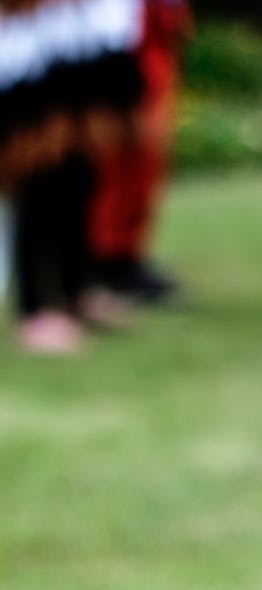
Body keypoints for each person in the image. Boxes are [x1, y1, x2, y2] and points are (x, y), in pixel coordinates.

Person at [1, 0, 144, 354]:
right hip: (27, 44)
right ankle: (35, 308)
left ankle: (76, 289)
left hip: (78, 36)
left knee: (81, 171)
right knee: (37, 178)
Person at [88, 0, 194, 303]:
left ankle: (125, 255)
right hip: (124, 59)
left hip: (154, 58)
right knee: (117, 162)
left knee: (144, 166)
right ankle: (107, 259)